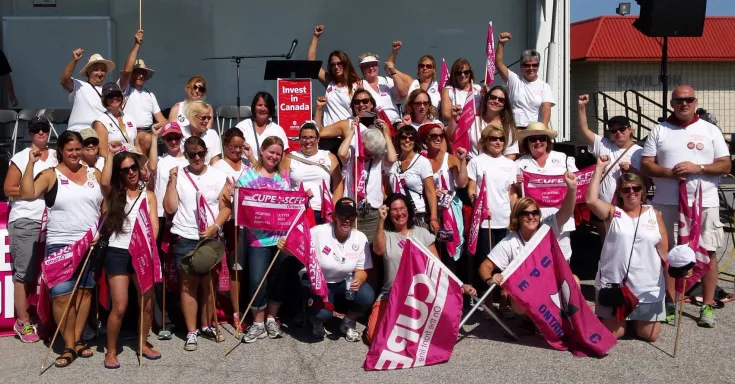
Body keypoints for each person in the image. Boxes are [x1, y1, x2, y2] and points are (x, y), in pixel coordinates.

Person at [640, 85, 730, 328]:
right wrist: (668, 173)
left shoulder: (710, 130)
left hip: (704, 203)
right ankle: (670, 302)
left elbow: (724, 165)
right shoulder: (660, 130)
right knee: (665, 253)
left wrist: (698, 168)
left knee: (707, 252)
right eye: (679, 100)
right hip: (667, 202)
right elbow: (647, 164)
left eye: (689, 99)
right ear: (671, 103)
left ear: (695, 101)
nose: (684, 104)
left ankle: (707, 306)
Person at [19, 131, 103, 367]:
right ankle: (67, 344)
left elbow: (105, 205)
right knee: (61, 297)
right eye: (70, 150)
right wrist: (30, 164)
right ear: (61, 153)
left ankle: (76, 340)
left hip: (89, 244)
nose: (75, 153)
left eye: (78, 148)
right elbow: (26, 193)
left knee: (85, 293)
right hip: (61, 245)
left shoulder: (93, 174)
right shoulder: (50, 174)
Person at [368, 194, 476, 343]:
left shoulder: (422, 233)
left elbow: (438, 266)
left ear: (408, 210)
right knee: (373, 337)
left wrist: (460, 285)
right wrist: (381, 220)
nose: (399, 213)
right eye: (394, 210)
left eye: (402, 208)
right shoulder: (386, 235)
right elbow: (379, 250)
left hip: (419, 297)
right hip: (390, 295)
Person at [586, 155, 668, 342]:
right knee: (614, 335)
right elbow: (591, 200)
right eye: (626, 189)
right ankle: (621, 318)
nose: (631, 192)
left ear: (642, 191)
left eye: (636, 188)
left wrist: (678, 272)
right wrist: (599, 168)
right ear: (620, 193)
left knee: (650, 335)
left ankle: (635, 318)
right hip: (615, 284)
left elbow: (664, 251)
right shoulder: (613, 212)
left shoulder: (654, 214)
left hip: (645, 284)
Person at [164, 136, 231, 351]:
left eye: (200, 153)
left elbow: (226, 208)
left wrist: (215, 227)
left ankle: (206, 324)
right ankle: (191, 331)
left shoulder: (218, 176)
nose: (196, 158)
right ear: (186, 154)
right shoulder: (179, 174)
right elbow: (170, 207)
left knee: (208, 283)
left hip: (209, 236)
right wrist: (172, 181)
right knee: (188, 285)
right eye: (191, 154)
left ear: (206, 152)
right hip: (185, 234)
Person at [478, 171, 578, 316]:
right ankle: (531, 321)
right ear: (517, 217)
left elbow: (566, 211)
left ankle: (565, 322)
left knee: (574, 280)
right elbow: (484, 266)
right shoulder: (510, 241)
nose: (531, 217)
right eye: (525, 214)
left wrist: (572, 188)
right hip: (528, 290)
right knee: (518, 303)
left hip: (550, 284)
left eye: (535, 213)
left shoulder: (547, 227)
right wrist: (489, 279)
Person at [280, 197, 375, 341]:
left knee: (367, 295)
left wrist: (359, 279)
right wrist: (285, 246)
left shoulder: (360, 237)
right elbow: (296, 249)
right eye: (343, 215)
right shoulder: (318, 232)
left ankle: (348, 321)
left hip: (343, 281)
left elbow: (362, 270)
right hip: (318, 282)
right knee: (324, 314)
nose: (347, 220)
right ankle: (316, 320)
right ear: (335, 216)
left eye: (351, 216)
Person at [99, 148, 160, 368]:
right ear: (119, 173)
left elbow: (154, 225)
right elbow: (104, 182)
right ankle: (111, 351)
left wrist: (148, 249)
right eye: (125, 170)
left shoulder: (149, 194)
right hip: (118, 251)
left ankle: (142, 344)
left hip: (142, 251)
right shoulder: (113, 193)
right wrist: (108, 156)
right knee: (120, 306)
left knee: (146, 304)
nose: (131, 172)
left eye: (134, 167)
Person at [3, 117, 57, 343]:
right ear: (29, 133)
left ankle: (41, 317)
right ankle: (22, 321)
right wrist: (35, 191)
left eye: (44, 129)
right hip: (26, 219)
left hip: (53, 221)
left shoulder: (55, 155)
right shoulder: (20, 157)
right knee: (24, 274)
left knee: (44, 274)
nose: (41, 133)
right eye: (36, 130)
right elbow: (8, 188)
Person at [320, 90, 398, 244]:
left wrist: (387, 134)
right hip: (354, 205)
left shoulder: (380, 128)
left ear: (372, 104)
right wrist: (351, 132)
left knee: (375, 252)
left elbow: (392, 159)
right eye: (357, 102)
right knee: (353, 249)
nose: (362, 104)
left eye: (366, 101)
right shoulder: (351, 131)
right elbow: (341, 152)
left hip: (374, 206)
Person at [236, 136, 291, 343]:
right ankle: (257, 322)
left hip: (280, 240)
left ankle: (271, 319)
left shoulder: (283, 179)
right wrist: (235, 194)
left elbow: (288, 208)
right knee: (257, 280)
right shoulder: (247, 177)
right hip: (257, 240)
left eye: (278, 153)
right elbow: (240, 206)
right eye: (271, 152)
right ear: (262, 150)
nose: (274, 156)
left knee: (277, 280)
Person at [578, 94, 643, 243]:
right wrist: (582, 107)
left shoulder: (640, 152)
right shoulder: (604, 145)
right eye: (614, 131)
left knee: (628, 242)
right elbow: (584, 130)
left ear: (630, 130)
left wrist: (632, 169)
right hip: (603, 206)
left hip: (627, 207)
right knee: (606, 244)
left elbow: (647, 179)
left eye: (622, 129)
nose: (618, 132)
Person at [515, 122, 577, 261]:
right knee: (537, 260)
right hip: (532, 220)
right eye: (533, 139)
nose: (538, 142)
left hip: (562, 218)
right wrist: (519, 186)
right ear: (527, 142)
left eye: (542, 138)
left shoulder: (564, 159)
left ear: (547, 141)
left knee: (563, 260)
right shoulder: (519, 164)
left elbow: (578, 183)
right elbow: (516, 195)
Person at [468, 125, 519, 286]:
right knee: (485, 261)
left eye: (501, 139)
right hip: (485, 221)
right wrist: (480, 208)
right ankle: (486, 300)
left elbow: (512, 194)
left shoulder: (510, 164)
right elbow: (471, 190)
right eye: (493, 138)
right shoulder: (476, 162)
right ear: (485, 141)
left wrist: (515, 216)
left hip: (505, 220)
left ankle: (503, 300)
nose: (498, 142)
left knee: (505, 263)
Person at [212, 127, 251, 329]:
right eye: (232, 146)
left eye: (240, 146)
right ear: (225, 146)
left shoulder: (248, 164)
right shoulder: (218, 166)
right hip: (231, 222)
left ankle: (250, 307)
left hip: (251, 222)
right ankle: (235, 312)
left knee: (249, 268)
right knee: (235, 268)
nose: (237, 150)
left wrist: (252, 157)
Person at [420, 123, 468, 262]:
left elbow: (462, 183)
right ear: (425, 139)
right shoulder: (422, 160)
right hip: (431, 211)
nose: (438, 139)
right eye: (434, 136)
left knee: (449, 252)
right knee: (433, 249)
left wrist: (462, 161)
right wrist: (429, 190)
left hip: (450, 212)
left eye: (441, 136)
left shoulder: (451, 158)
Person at [281, 121, 342, 224]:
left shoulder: (329, 157)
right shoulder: (289, 158)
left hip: (323, 211)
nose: (308, 141)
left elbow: (338, 185)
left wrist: (333, 208)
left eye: (311, 137)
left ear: (318, 139)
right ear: (299, 139)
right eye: (304, 137)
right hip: (298, 211)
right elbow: (282, 187)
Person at [495, 32, 554, 129]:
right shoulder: (514, 80)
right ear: (521, 67)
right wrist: (501, 44)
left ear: (538, 66)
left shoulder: (545, 86)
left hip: (533, 130)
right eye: (527, 65)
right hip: (513, 129)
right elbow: (499, 64)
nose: (531, 68)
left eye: (534, 65)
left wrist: (543, 129)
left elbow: (546, 110)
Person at [118, 30, 164, 153]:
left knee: (175, 137)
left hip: (150, 129)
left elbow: (160, 119)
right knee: (148, 139)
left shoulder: (149, 94)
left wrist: (175, 129)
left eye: (143, 73)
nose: (141, 76)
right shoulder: (123, 89)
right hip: (130, 131)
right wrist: (137, 45)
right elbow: (126, 71)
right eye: (137, 72)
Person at [387, 125, 439, 231]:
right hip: (397, 215)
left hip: (416, 214)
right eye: (404, 137)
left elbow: (430, 191)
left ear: (415, 141)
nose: (407, 140)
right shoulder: (395, 164)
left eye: (411, 138)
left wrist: (433, 218)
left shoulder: (422, 162)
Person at [307, 24, 361, 126]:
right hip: (330, 135)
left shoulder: (357, 84)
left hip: (349, 133)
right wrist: (315, 37)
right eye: (333, 64)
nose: (336, 67)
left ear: (346, 64)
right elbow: (311, 63)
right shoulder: (330, 82)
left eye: (339, 63)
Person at [448, 85, 519, 160]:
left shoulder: (508, 127)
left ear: (504, 105)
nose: (496, 101)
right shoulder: (473, 120)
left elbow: (510, 154)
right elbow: (453, 138)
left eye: (501, 100)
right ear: (487, 99)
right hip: (471, 166)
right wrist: (453, 118)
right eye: (493, 97)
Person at [61, 49, 116, 132]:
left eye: (103, 70)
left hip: (104, 132)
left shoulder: (110, 90)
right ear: (88, 71)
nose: (100, 73)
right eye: (96, 70)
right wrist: (75, 60)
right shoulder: (79, 86)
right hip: (80, 131)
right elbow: (64, 80)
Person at [235, 92, 289, 164]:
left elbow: (283, 159)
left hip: (270, 173)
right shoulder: (242, 127)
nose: (263, 109)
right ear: (254, 107)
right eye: (259, 105)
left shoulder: (278, 130)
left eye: (266, 106)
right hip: (246, 171)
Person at [358, 46, 408, 124]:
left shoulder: (386, 80)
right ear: (361, 68)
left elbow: (403, 93)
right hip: (374, 124)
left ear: (377, 66)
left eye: (374, 64)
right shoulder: (359, 85)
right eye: (367, 65)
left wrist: (393, 72)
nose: (371, 68)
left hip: (395, 122)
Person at [92, 83, 138, 158]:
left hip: (132, 160)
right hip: (114, 162)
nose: (114, 98)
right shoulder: (100, 122)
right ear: (105, 99)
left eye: (117, 95)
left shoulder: (129, 118)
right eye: (110, 96)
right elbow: (103, 152)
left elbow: (136, 145)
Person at [181, 100, 222, 164]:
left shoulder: (212, 134)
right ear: (192, 116)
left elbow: (215, 160)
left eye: (208, 118)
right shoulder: (180, 133)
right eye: (203, 117)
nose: (206, 121)